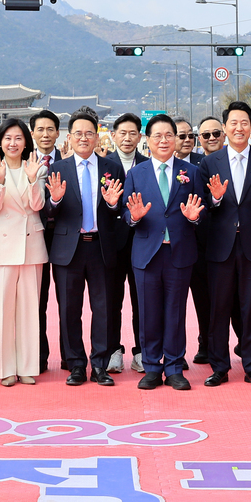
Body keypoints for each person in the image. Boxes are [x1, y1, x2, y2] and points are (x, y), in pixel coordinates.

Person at [197, 101, 251, 389]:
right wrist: (216, 199)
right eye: (233, 123)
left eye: (244, 123)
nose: (239, 128)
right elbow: (202, 206)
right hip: (219, 246)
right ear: (225, 128)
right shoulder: (209, 163)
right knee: (218, 309)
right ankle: (219, 366)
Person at [122, 114, 207, 390]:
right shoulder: (136, 173)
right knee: (148, 313)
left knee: (175, 312)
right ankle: (151, 366)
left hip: (179, 253)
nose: (163, 140)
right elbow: (127, 213)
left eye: (169, 135)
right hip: (146, 253)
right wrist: (133, 217)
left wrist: (195, 218)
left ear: (176, 139)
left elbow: (200, 211)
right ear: (147, 140)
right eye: (157, 136)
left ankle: (173, 367)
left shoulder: (191, 172)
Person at [43, 109, 125, 386]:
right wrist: (53, 201)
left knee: (102, 309)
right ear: (69, 136)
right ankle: (76, 364)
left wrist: (113, 203)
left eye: (89, 133)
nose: (84, 138)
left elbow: (119, 209)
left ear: (97, 135)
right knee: (69, 309)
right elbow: (46, 212)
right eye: (78, 133)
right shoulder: (57, 169)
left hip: (101, 247)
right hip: (69, 249)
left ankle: (99, 364)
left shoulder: (112, 168)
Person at [0, 118, 48, 386]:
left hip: (31, 244)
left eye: (18, 138)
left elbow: (38, 204)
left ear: (26, 141)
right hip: (1, 247)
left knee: (29, 309)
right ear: (0, 141)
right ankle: (4, 368)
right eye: (8, 138)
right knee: (2, 310)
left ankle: (28, 367)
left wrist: (33, 180)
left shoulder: (37, 168)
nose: (13, 143)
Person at [105, 113, 146, 373]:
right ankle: (113, 350)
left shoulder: (148, 164)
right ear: (114, 135)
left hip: (142, 241)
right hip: (111, 243)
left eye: (133, 133)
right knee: (111, 300)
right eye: (123, 133)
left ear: (140, 137)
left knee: (142, 299)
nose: (128, 138)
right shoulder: (103, 165)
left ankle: (142, 351)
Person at [187, 115, 226, 370]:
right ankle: (206, 343)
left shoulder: (238, 161)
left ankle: (240, 345)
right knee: (202, 297)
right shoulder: (196, 168)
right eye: (205, 135)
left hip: (231, 242)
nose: (211, 138)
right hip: (200, 242)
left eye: (215, 134)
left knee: (230, 299)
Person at [30, 110, 63, 373]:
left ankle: (69, 357)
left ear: (58, 133)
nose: (45, 134)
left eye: (50, 129)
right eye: (40, 129)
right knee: (36, 301)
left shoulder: (69, 162)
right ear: (32, 134)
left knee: (67, 300)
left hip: (64, 238)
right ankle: (38, 355)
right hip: (33, 237)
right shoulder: (23, 161)